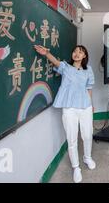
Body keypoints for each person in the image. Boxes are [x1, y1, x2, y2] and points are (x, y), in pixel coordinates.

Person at [34, 45, 96, 183]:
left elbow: (89, 88)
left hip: (85, 106)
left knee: (87, 135)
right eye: (75, 51)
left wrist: (91, 104)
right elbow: (55, 62)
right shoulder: (66, 67)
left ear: (84, 56)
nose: (77, 54)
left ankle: (87, 157)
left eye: (80, 52)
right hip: (69, 108)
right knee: (72, 138)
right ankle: (76, 167)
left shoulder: (88, 70)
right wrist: (46, 54)